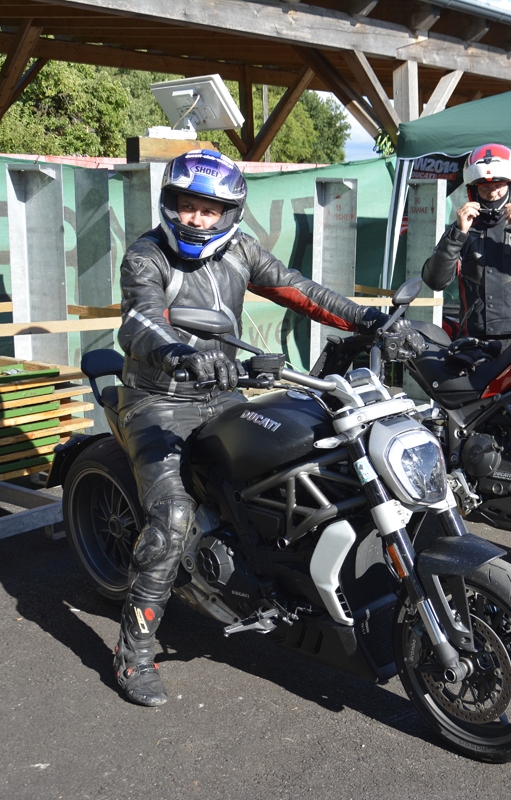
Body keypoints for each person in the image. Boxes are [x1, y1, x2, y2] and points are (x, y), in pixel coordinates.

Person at [113, 149, 408, 706]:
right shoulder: (146, 255)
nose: (195, 218)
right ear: (169, 204)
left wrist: (369, 319)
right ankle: (134, 654)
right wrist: (179, 353)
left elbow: (300, 290)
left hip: (223, 390)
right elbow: (139, 319)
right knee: (171, 516)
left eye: (209, 210)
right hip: (158, 398)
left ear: (229, 214)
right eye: (186, 205)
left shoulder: (241, 250)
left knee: (291, 463)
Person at [422, 143, 511, 340]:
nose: (492, 193)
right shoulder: (461, 227)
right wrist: (457, 235)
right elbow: (435, 281)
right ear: (473, 191)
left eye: (498, 186)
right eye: (485, 188)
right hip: (473, 339)